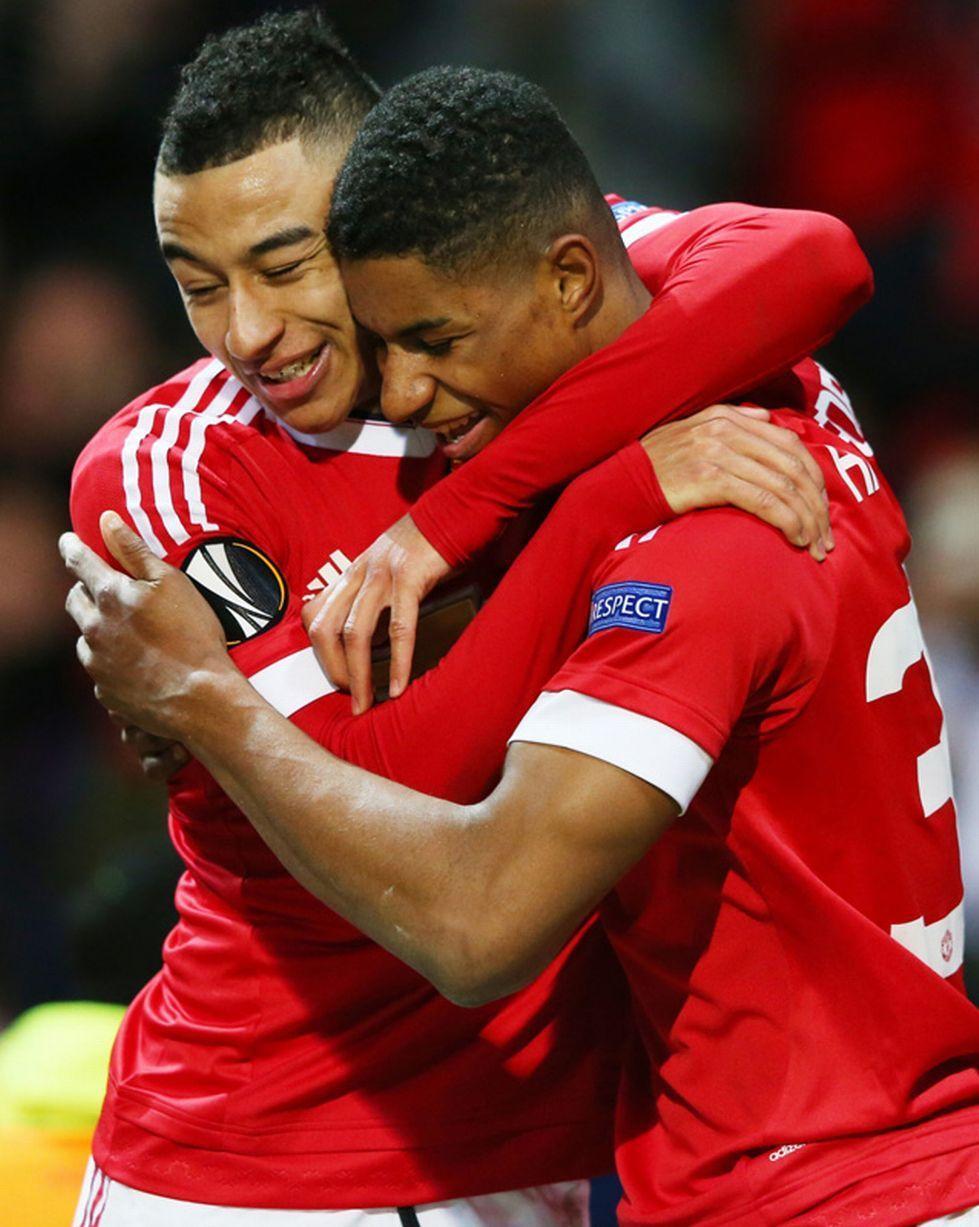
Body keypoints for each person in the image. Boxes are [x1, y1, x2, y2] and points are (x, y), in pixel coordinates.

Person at [63, 66, 979, 1226]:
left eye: (288, 265)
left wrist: (467, 516)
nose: (248, 332)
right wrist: (599, 494)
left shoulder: (531, 332)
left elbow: (815, 261)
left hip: (562, 1156)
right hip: (275, 1160)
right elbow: (389, 793)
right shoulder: (174, 468)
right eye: (199, 286)